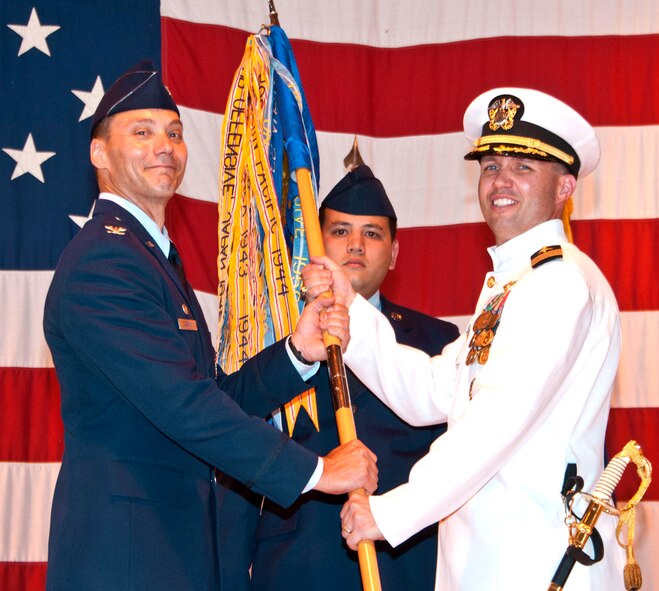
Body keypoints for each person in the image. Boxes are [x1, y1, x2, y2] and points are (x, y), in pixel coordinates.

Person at [43, 60, 377, 591]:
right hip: (126, 557)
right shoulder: (103, 260)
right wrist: (317, 472)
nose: (165, 146)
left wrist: (296, 352)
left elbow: (210, 394)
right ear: (99, 154)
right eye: (142, 132)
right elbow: (183, 405)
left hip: (170, 550)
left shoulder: (150, 258)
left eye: (174, 133)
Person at [307, 88, 626, 590]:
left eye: (524, 167)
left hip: (539, 563)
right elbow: (430, 391)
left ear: (564, 188)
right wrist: (349, 309)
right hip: (492, 564)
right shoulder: (514, 283)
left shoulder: (559, 283)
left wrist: (391, 512)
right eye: (491, 165)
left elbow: (494, 424)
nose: (501, 181)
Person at [239, 166, 458, 590]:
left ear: (394, 253)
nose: (356, 244)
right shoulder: (275, 335)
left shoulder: (439, 343)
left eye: (373, 234)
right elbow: (232, 431)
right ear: (316, 245)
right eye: (340, 231)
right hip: (295, 567)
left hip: (404, 565)